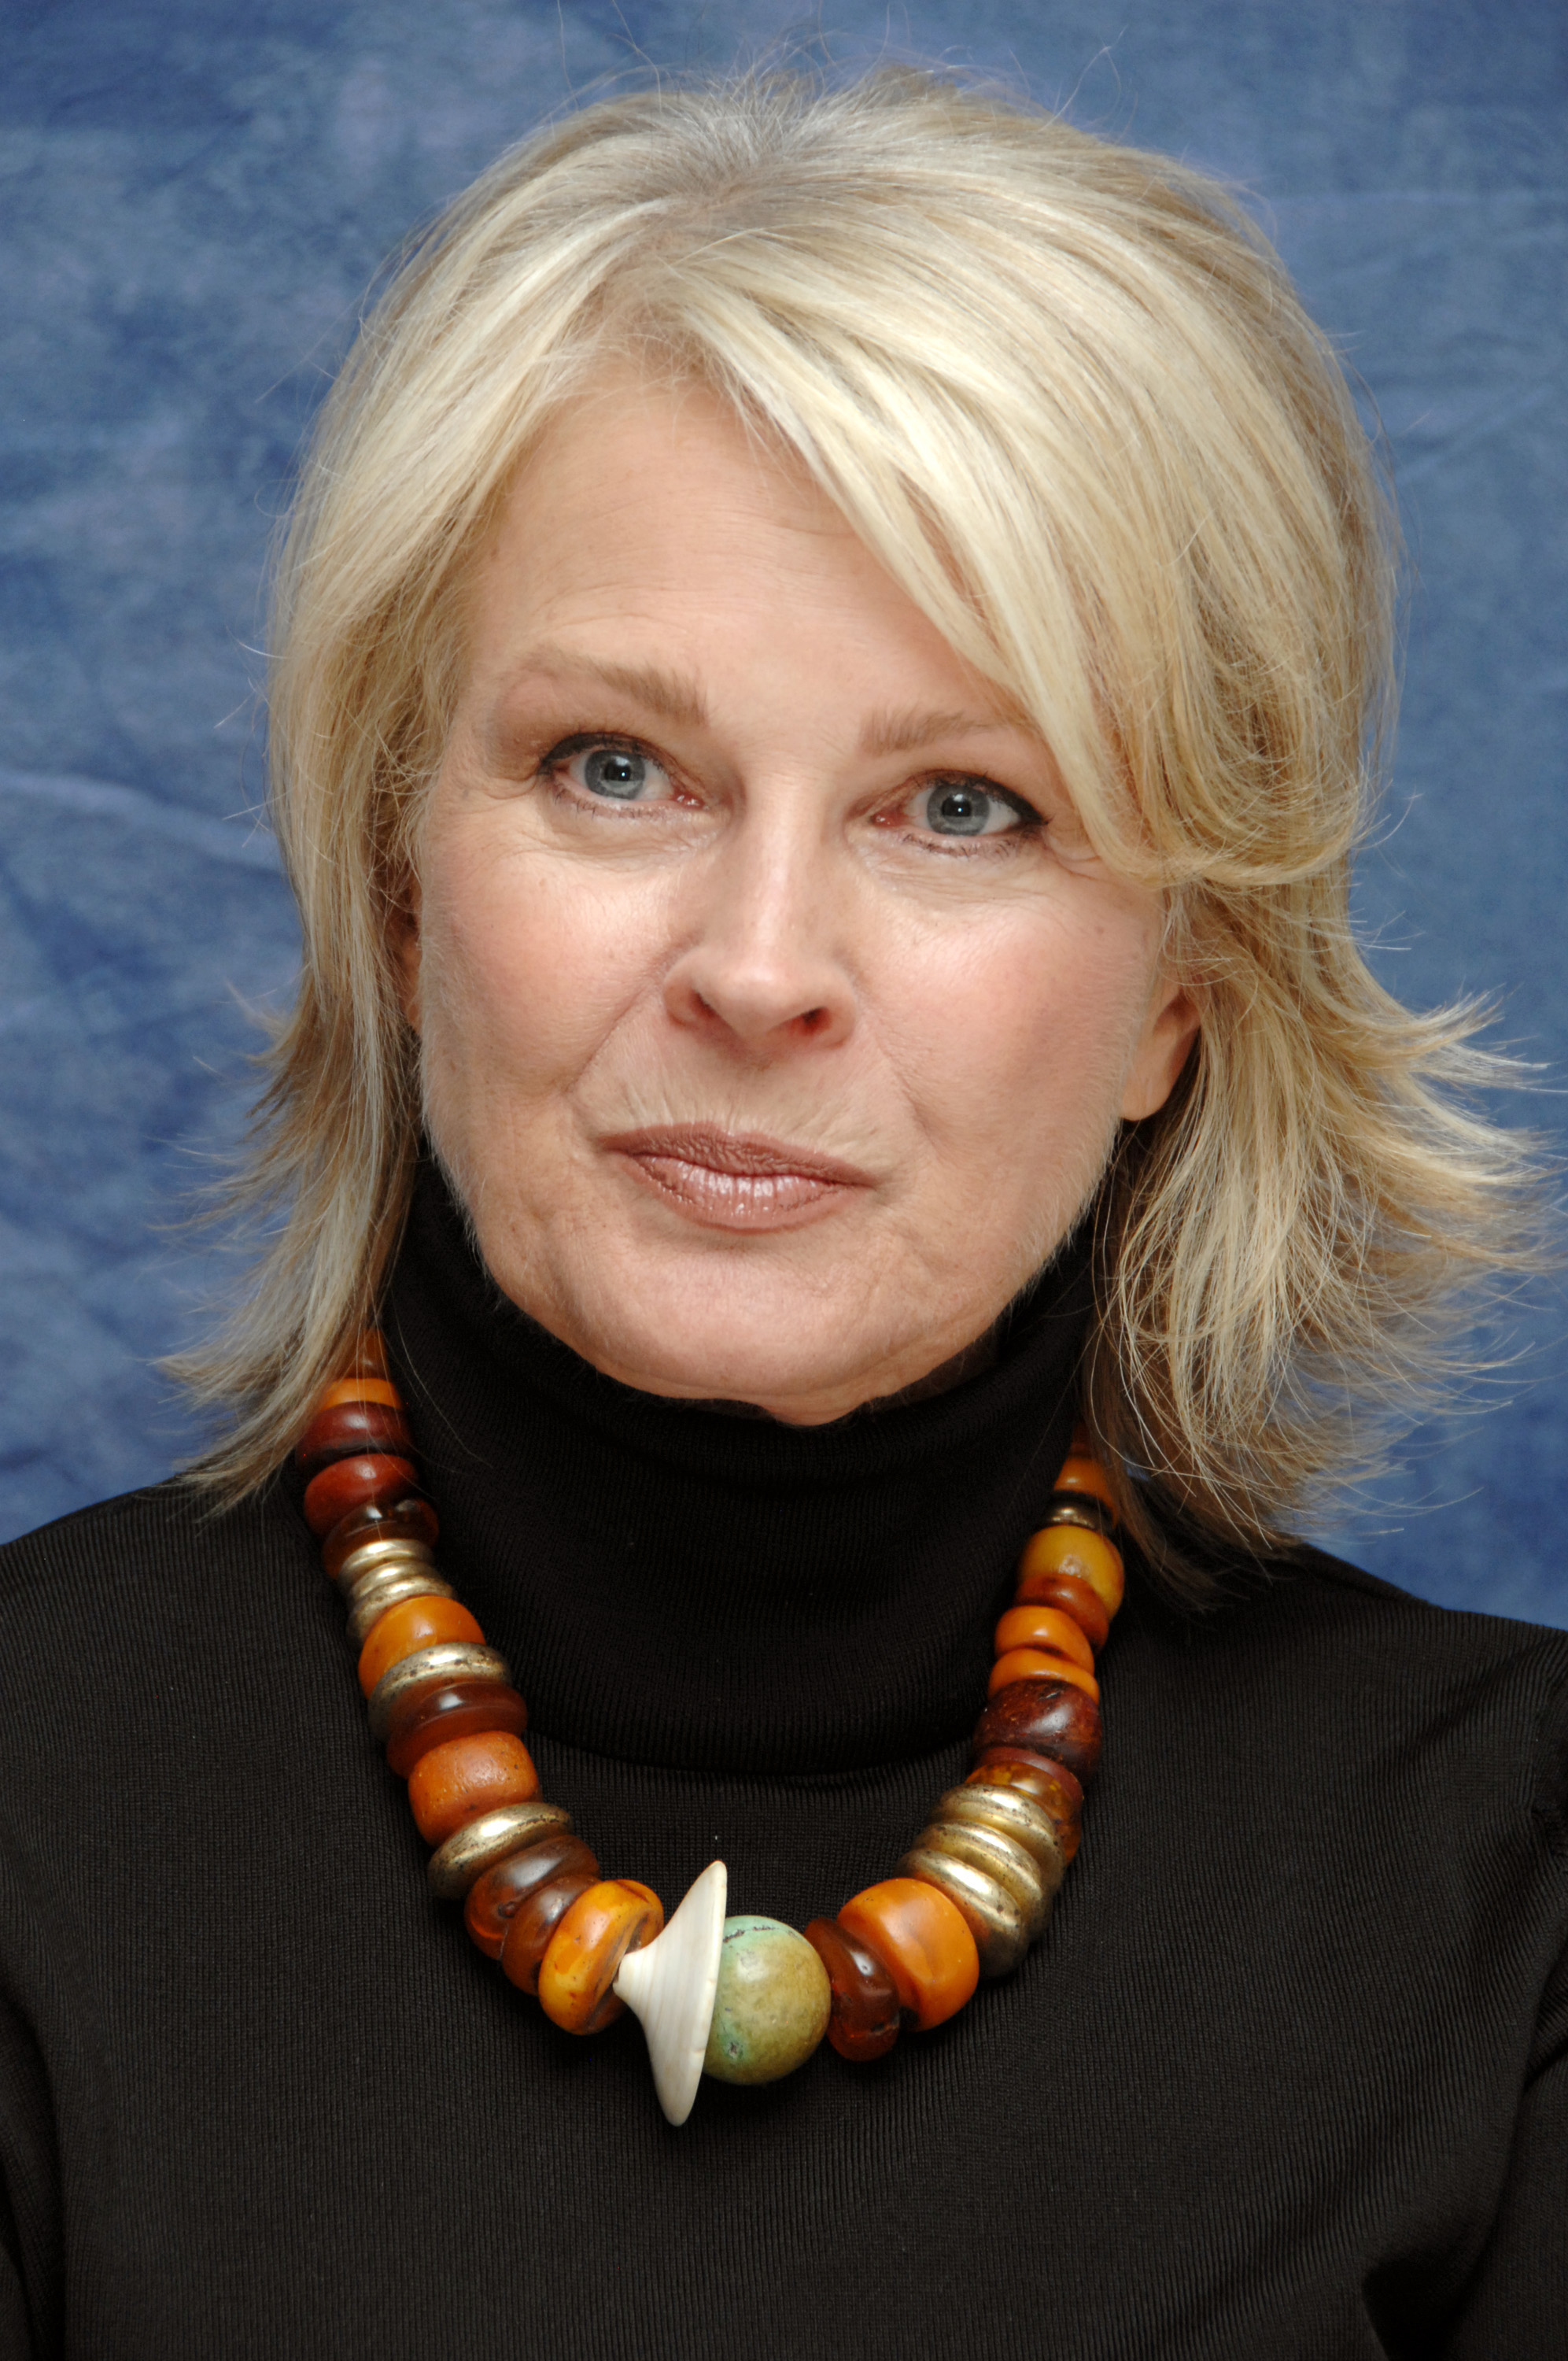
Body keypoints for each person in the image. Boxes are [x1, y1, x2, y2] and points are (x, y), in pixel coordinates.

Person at [0, 66, 1562, 2359]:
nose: (756, 966)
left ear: (1179, 990)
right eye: (611, 768)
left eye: (963, 805)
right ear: (402, 881)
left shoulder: (1509, 1884)